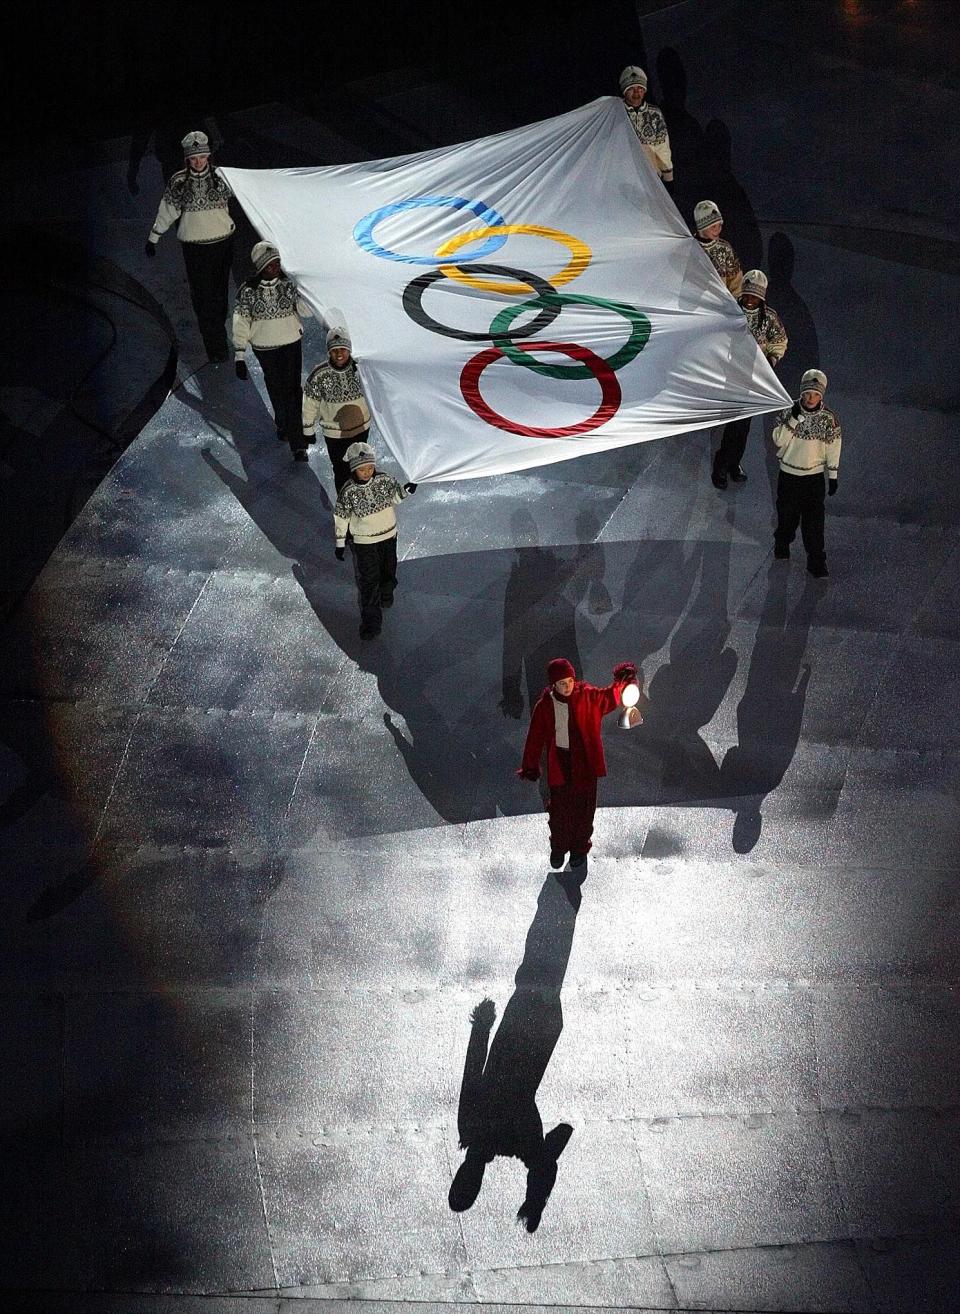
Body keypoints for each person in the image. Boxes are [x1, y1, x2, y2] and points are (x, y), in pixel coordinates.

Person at [517, 658, 640, 872]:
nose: (568, 687)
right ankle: (559, 847)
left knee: (584, 811)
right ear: (553, 685)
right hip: (562, 765)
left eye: (570, 681)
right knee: (559, 812)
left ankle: (579, 850)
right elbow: (535, 737)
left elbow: (608, 697)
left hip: (586, 765)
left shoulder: (587, 696)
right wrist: (530, 765)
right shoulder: (545, 706)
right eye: (562, 683)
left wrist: (623, 682)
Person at [145, 129, 235, 360]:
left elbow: (248, 194)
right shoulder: (179, 182)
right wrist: (154, 236)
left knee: (220, 295)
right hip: (196, 249)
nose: (198, 162)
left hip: (223, 243)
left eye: (202, 157)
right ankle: (215, 346)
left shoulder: (222, 177)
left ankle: (218, 332)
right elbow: (168, 210)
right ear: (187, 159)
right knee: (203, 296)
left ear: (208, 156)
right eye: (194, 158)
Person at [233, 242, 313, 460]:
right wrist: (239, 354)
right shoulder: (248, 291)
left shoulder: (289, 285)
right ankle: (284, 423)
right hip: (265, 348)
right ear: (260, 266)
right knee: (277, 388)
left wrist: (303, 290)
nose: (275, 267)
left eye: (277, 262)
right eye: (270, 264)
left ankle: (298, 444)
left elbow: (305, 312)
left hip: (291, 343)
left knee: (293, 390)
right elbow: (241, 322)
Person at [712, 269, 788, 489]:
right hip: (731, 375)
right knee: (732, 425)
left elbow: (779, 340)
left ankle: (734, 463)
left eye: (756, 296)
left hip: (753, 378)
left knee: (744, 427)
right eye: (748, 294)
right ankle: (721, 466)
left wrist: (772, 360)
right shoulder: (731, 310)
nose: (751, 299)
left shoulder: (769, 317)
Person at [333, 441, 417, 639]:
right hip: (364, 543)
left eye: (370, 467)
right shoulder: (348, 491)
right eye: (362, 469)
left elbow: (394, 497)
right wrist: (340, 542)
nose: (367, 472)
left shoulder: (384, 479)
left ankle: (387, 592)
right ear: (354, 469)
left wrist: (406, 490)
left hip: (388, 535)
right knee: (369, 580)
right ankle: (371, 623)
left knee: (389, 569)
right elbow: (341, 517)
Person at [771, 369, 841, 578]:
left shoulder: (828, 419)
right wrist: (793, 420)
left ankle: (816, 561)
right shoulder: (788, 411)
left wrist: (833, 475)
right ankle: (782, 541)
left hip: (813, 478)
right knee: (787, 516)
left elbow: (833, 446)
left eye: (816, 394)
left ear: (822, 396)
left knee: (814, 523)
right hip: (789, 476)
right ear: (802, 393)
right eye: (808, 393)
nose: (811, 398)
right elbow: (778, 440)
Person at [302, 328, 372, 492]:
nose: (339, 354)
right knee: (341, 470)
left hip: (361, 429)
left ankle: (362, 503)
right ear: (329, 352)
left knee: (361, 468)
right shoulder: (320, 374)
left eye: (343, 349)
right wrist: (308, 429)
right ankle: (345, 505)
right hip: (335, 434)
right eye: (334, 350)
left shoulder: (360, 369)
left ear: (349, 349)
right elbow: (309, 403)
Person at [619, 66, 674, 191]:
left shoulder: (655, 114)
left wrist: (668, 177)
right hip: (623, 179)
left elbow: (662, 147)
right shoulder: (617, 112)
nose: (636, 93)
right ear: (624, 91)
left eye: (640, 88)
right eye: (631, 89)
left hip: (651, 179)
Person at [693, 200, 742, 298]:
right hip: (695, 303)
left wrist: (737, 304)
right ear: (702, 227)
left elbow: (736, 282)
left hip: (720, 306)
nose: (717, 229)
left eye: (720, 225)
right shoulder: (690, 246)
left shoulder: (725, 249)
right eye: (713, 226)